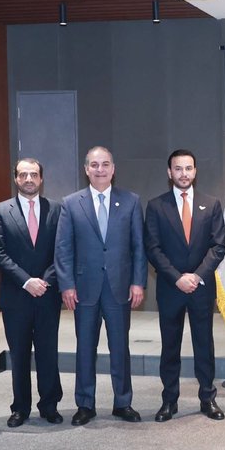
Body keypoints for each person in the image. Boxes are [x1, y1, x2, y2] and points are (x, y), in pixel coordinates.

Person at [54, 146, 147, 426]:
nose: (100, 170)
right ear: (86, 169)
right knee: (85, 347)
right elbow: (63, 248)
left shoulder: (130, 201)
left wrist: (138, 282)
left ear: (113, 168)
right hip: (84, 289)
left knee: (120, 347)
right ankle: (85, 404)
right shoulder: (71, 203)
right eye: (94, 165)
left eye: (105, 164)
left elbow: (138, 248)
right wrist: (66, 284)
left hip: (119, 287)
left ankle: (123, 402)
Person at [144, 149, 225, 421]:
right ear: (169, 173)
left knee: (205, 345)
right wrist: (177, 277)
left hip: (201, 288)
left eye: (188, 168)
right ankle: (169, 401)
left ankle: (208, 398)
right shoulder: (156, 206)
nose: (183, 174)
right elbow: (153, 248)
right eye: (178, 169)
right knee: (170, 347)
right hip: (170, 288)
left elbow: (218, 246)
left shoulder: (211, 204)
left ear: (195, 171)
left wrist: (197, 275)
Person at [0, 158, 64, 427]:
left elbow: (63, 250)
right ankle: (20, 408)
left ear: (41, 178)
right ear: (15, 178)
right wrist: (27, 281)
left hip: (48, 293)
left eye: (33, 174)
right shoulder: (0, 211)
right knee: (20, 352)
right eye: (23, 175)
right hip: (16, 295)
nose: (28, 179)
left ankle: (50, 405)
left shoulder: (57, 210)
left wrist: (44, 281)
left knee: (48, 351)